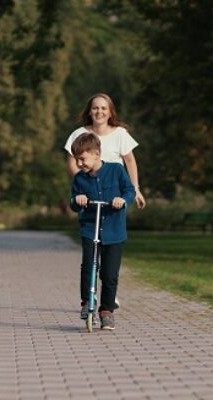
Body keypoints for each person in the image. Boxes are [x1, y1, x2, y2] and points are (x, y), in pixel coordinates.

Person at [69, 134, 134, 330]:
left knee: (109, 273)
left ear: (96, 154)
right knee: (88, 267)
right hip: (91, 228)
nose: (79, 164)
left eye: (83, 159)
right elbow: (73, 203)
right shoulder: (79, 179)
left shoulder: (116, 170)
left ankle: (106, 310)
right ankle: (87, 302)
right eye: (77, 159)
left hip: (114, 231)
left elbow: (129, 190)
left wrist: (122, 200)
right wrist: (77, 199)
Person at [63, 93, 146, 209]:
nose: (99, 111)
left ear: (110, 112)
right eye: (95, 108)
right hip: (89, 193)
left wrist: (135, 189)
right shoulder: (78, 134)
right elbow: (72, 163)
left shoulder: (120, 134)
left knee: (112, 223)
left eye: (103, 108)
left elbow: (130, 161)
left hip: (114, 193)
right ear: (89, 111)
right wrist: (84, 185)